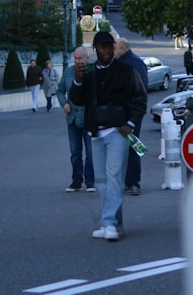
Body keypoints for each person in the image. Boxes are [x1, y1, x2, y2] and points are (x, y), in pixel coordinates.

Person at [69, 31, 147, 241]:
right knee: (102, 180)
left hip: (117, 132)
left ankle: (109, 223)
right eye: (102, 47)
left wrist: (130, 123)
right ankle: (114, 222)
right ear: (95, 49)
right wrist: (77, 80)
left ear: (113, 48)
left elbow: (140, 98)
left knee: (113, 178)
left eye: (109, 46)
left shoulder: (126, 71)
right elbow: (76, 100)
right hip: (96, 131)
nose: (106, 50)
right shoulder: (89, 74)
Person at [57, 47, 95, 193]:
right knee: (75, 152)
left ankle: (90, 182)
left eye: (80, 58)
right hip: (72, 118)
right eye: (75, 58)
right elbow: (60, 90)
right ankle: (76, 181)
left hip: (89, 118)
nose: (77, 61)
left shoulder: (92, 72)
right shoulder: (68, 72)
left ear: (87, 58)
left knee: (91, 153)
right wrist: (64, 103)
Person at [114, 37, 147, 196]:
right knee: (130, 146)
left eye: (115, 48)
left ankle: (133, 182)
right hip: (131, 112)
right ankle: (130, 182)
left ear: (122, 49)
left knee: (131, 146)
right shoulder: (136, 62)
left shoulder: (130, 63)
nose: (112, 51)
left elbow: (139, 90)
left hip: (129, 113)